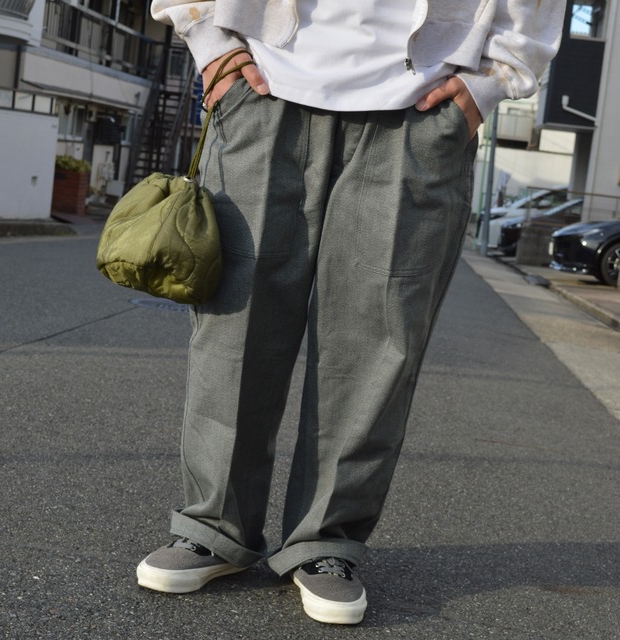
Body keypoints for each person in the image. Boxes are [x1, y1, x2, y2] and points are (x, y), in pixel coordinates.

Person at [137, 0, 567, 625]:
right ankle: (214, 526)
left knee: (376, 344)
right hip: (263, 83)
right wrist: (210, 42)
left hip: (421, 106)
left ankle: (326, 541)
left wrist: (493, 79)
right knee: (235, 328)